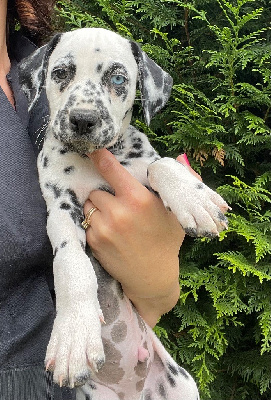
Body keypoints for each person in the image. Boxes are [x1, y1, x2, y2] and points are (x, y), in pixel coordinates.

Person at [0, 0, 199, 398]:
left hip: (129, 362)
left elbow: (158, 295)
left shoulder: (36, 61)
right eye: (64, 77)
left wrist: (157, 273)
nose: (85, 106)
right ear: (48, 76)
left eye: (116, 80)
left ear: (146, 91)